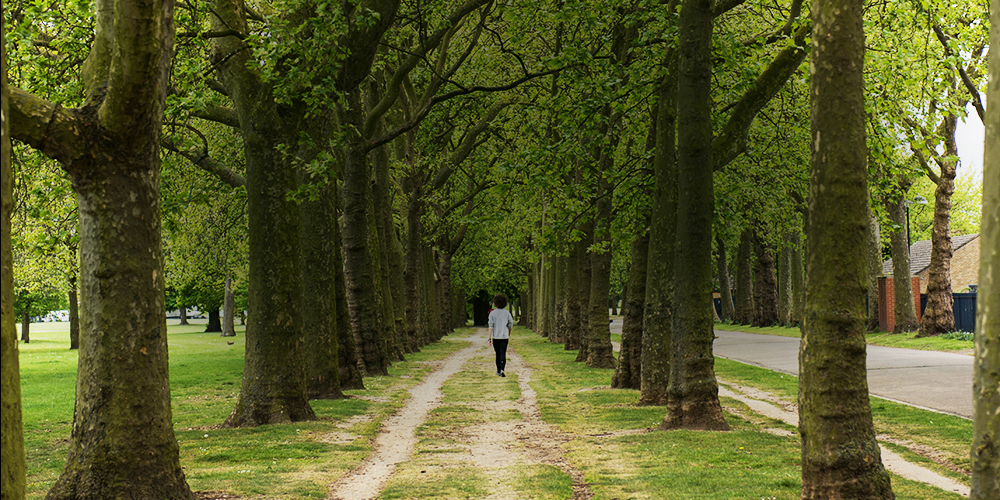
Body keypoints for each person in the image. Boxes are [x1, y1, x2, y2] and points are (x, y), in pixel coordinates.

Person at [487, 293, 514, 377]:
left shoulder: (492, 313)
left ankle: (498, 370)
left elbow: (491, 326)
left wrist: (489, 337)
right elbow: (510, 324)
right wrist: (509, 332)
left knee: (497, 353)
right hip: (504, 336)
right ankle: (502, 368)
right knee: (503, 353)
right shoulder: (507, 313)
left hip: (496, 337)